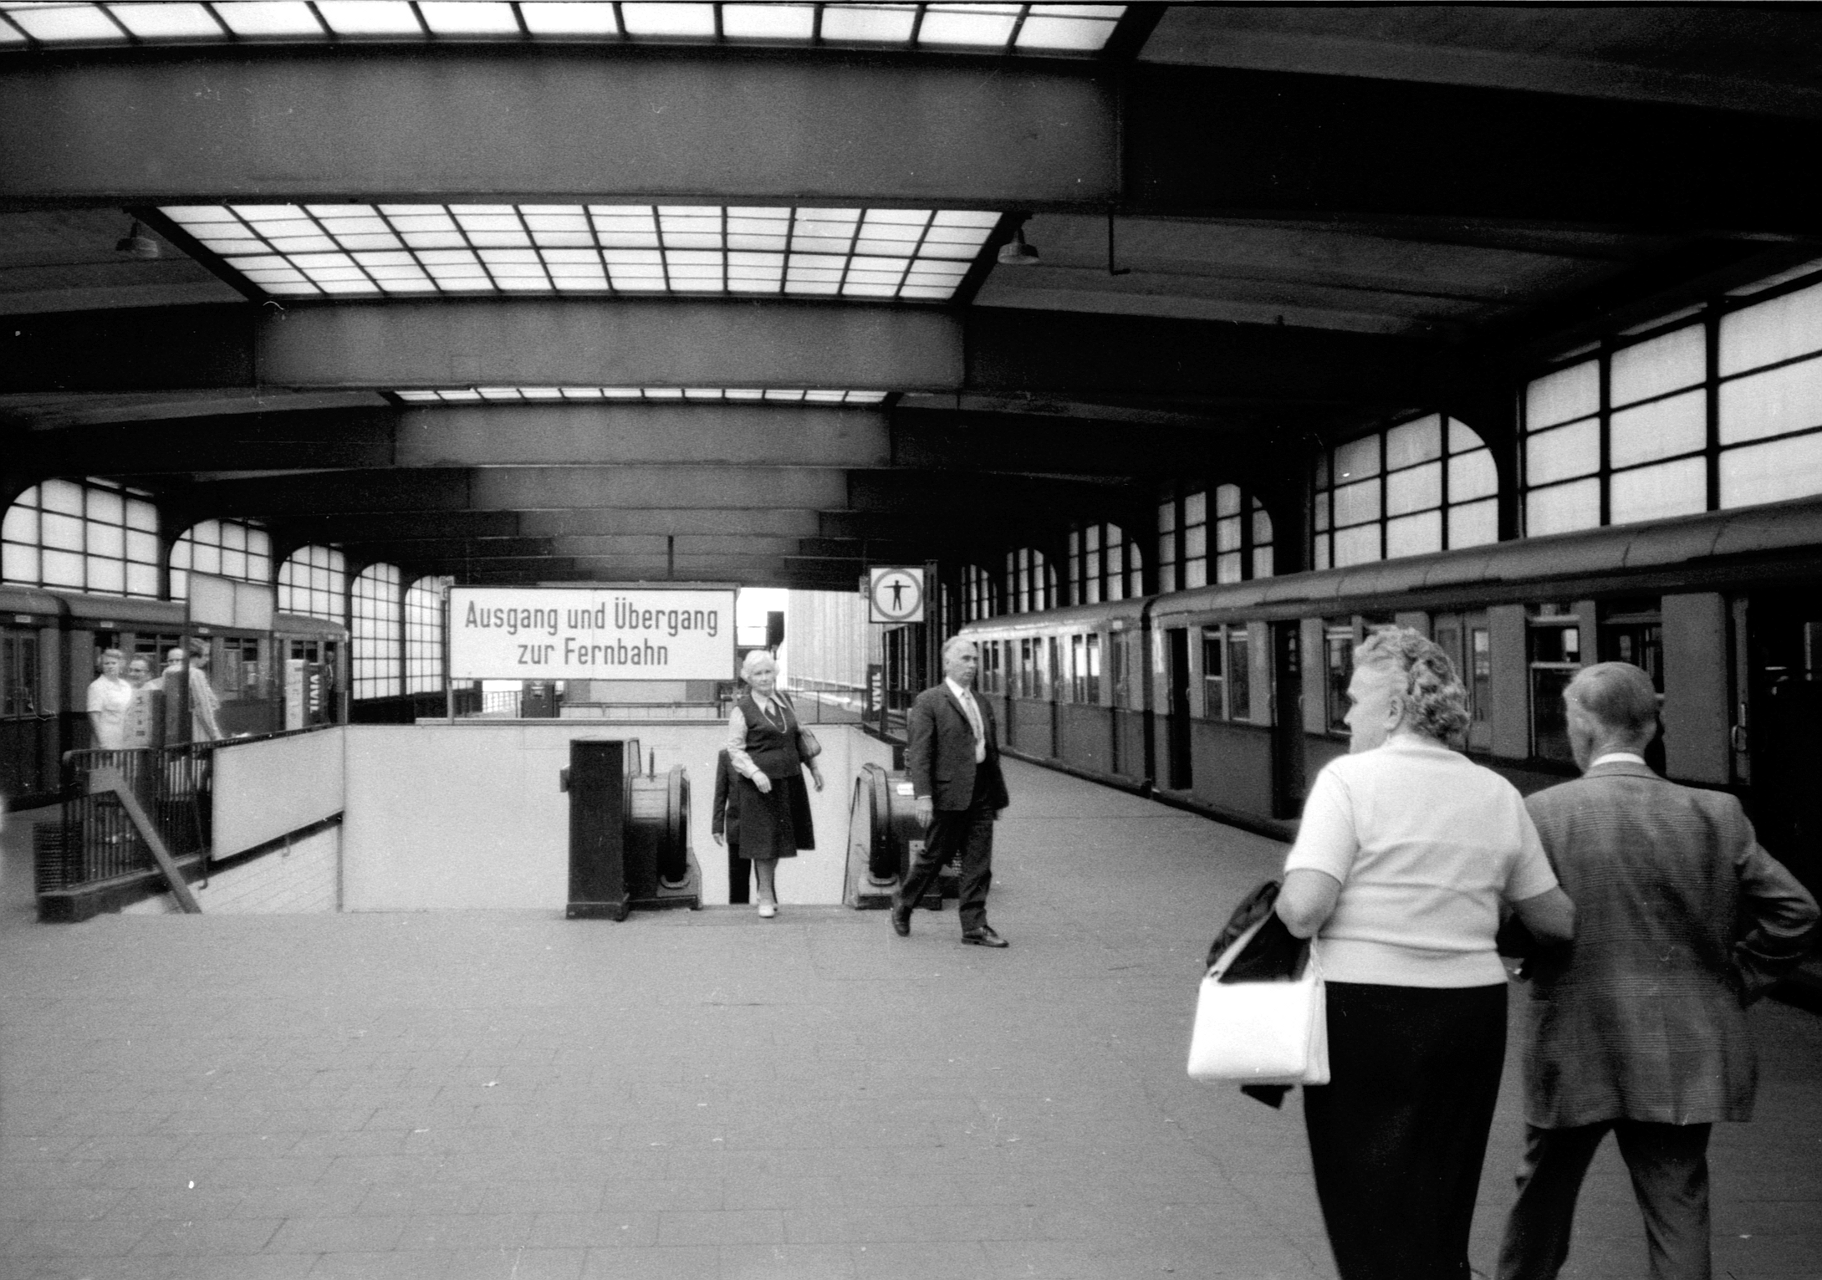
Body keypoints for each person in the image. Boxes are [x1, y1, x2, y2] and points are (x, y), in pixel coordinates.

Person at [1496, 662, 1819, 1280]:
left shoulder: (1543, 812)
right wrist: (1735, 981)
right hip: (1682, 1051)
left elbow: (1513, 924)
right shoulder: (1716, 813)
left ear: (1585, 728)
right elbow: (1797, 912)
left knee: (1540, 1206)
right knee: (1679, 1213)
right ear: (1650, 728)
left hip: (1574, 1043)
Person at [1274, 626, 1576, 1280]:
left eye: (1354, 699)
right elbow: (1555, 921)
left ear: (1391, 711)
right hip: (1470, 1016)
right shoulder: (1495, 792)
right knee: (1442, 1192)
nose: (1347, 713)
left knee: (1368, 1200)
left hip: (1364, 1017)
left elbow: (1303, 908)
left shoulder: (1348, 781)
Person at [892, 635, 1012, 947]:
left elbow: (991, 752)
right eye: (965, 659)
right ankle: (904, 904)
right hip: (947, 796)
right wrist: (924, 796)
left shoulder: (981, 702)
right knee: (934, 857)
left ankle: (974, 926)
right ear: (947, 663)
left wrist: (997, 796)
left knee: (978, 863)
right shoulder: (930, 701)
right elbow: (920, 753)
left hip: (982, 794)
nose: (972, 665)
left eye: (974, 659)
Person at [723, 650, 822, 918]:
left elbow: (796, 737)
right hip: (760, 786)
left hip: (789, 779)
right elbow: (734, 749)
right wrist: (755, 773)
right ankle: (765, 895)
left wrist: (813, 768)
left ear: (775, 673)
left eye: (768, 672)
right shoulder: (742, 710)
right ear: (749, 678)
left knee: (779, 840)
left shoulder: (785, 701)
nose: (765, 678)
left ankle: (764, 889)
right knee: (765, 841)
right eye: (758, 674)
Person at [710, 747, 750, 905]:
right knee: (738, 885)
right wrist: (717, 827)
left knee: (766, 884)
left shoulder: (763, 751)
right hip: (737, 826)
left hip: (762, 828)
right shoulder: (726, 755)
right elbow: (720, 792)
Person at [164, 643, 222, 743]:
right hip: (197, 731)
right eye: (205, 655)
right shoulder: (195, 673)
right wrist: (216, 735)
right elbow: (203, 707)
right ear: (196, 655)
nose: (207, 659)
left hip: (175, 730)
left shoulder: (167, 672)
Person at [86, 648, 133, 751]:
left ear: (120, 664)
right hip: (107, 740)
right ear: (101, 667)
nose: (110, 666)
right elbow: (94, 715)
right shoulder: (97, 686)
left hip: (126, 738)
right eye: (106, 663)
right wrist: (102, 744)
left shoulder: (126, 685)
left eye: (114, 663)